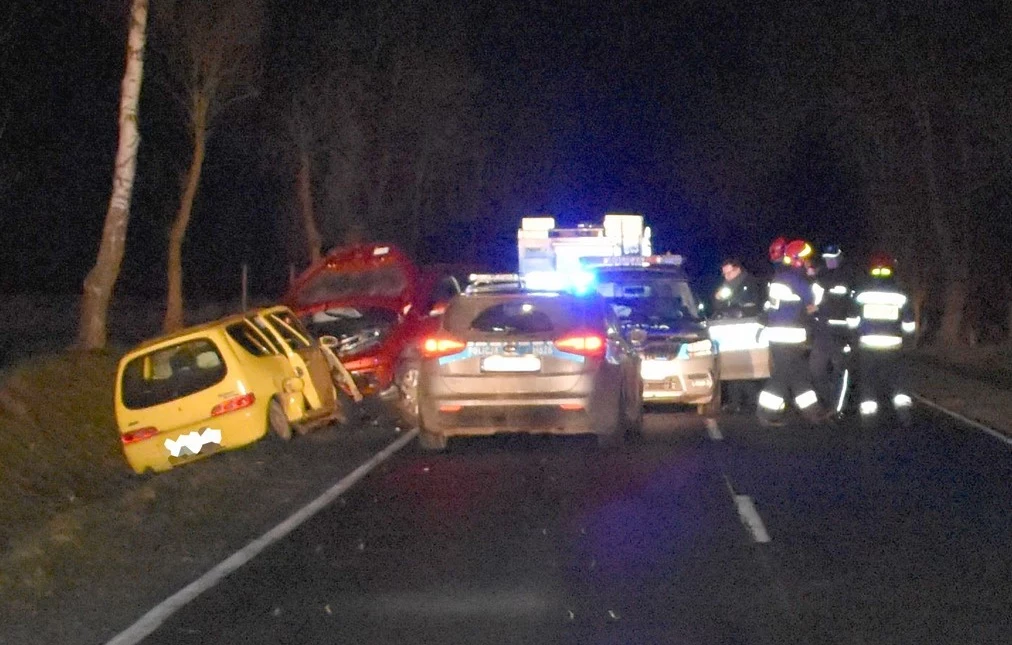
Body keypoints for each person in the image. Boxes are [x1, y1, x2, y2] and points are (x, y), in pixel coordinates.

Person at [756, 239, 829, 426]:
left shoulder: (781, 277)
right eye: (806, 260)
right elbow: (815, 300)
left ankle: (813, 412)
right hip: (789, 336)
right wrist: (813, 278)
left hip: (779, 335)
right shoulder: (798, 280)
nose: (808, 263)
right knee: (782, 376)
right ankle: (765, 413)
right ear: (798, 260)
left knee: (798, 375)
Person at [853, 253, 916, 427]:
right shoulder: (901, 295)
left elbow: (853, 322)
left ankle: (868, 419)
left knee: (868, 381)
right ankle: (904, 415)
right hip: (893, 347)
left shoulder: (862, 294)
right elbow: (909, 324)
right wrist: (908, 341)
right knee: (897, 381)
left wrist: (853, 338)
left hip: (867, 346)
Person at [808, 244, 856, 416]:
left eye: (832, 258)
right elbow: (813, 303)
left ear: (839, 257)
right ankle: (827, 400)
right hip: (822, 332)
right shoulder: (820, 278)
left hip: (841, 334)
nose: (829, 261)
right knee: (816, 370)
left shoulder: (849, 279)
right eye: (827, 258)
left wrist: (852, 335)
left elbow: (853, 308)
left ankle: (837, 409)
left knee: (840, 372)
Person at [713, 257, 762, 412]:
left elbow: (755, 305)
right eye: (724, 274)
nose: (726, 277)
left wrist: (739, 311)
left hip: (747, 330)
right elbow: (718, 304)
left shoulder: (751, 284)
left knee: (745, 367)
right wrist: (719, 300)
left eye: (729, 273)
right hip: (731, 329)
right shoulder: (727, 286)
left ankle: (750, 401)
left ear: (738, 270)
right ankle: (736, 401)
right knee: (734, 365)